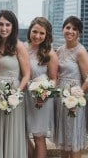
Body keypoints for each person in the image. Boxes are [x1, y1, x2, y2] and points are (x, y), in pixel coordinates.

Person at [0, 10, 30, 158]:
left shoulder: (19, 46)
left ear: (13, 27)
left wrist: (16, 93)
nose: (4, 28)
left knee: (13, 131)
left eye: (8, 24)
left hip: (15, 94)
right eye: (1, 24)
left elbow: (26, 74)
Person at [54, 16, 88, 158]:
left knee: (73, 139)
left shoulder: (80, 51)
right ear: (63, 29)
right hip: (61, 97)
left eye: (74, 29)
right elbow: (56, 73)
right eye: (67, 27)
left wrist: (77, 97)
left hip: (75, 97)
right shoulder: (59, 50)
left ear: (79, 33)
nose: (70, 31)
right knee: (64, 139)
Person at [25, 17, 58, 158]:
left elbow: (54, 79)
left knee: (39, 137)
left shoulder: (49, 53)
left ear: (47, 35)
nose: (37, 36)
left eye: (41, 33)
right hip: (24, 97)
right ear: (30, 31)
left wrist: (44, 94)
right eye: (35, 32)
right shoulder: (22, 48)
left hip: (41, 99)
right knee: (21, 134)